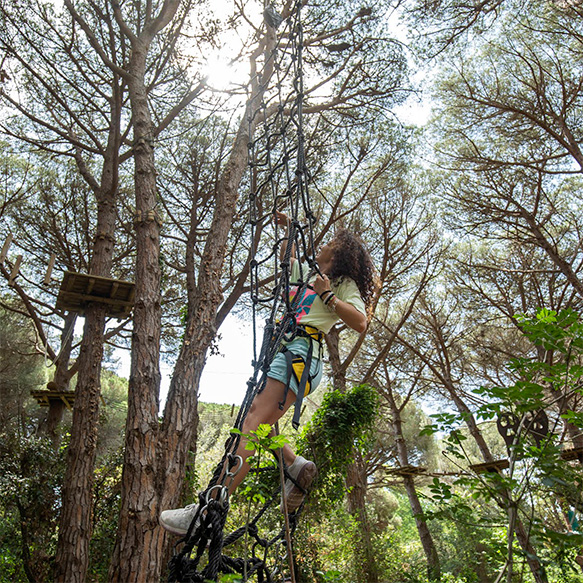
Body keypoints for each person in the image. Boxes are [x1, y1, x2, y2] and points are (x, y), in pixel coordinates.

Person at [160, 212, 377, 536]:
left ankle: (207, 511)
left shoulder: (341, 284)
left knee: (249, 424)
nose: (323, 243)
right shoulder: (308, 273)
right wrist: (289, 229)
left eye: (330, 242)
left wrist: (328, 295)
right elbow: (288, 260)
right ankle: (294, 464)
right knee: (258, 425)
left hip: (301, 355)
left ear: (340, 254)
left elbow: (360, 322)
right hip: (286, 352)